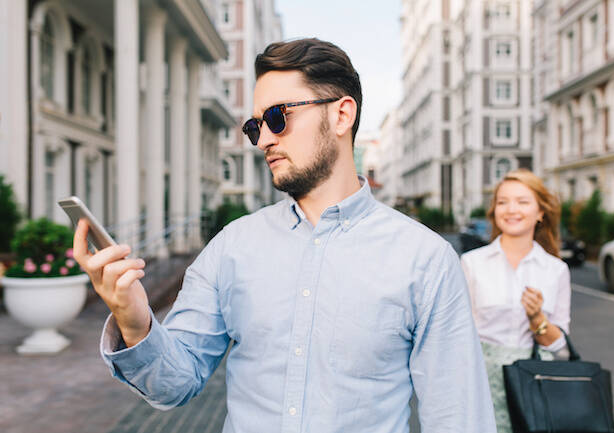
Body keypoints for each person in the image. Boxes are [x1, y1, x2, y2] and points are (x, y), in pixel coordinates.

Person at [74, 38, 496, 433]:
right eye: (256, 126)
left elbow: (458, 415)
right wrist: (133, 319)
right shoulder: (232, 246)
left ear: (341, 115)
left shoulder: (425, 258)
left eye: (279, 117)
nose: (265, 140)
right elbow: (174, 385)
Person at [460, 169, 571, 433]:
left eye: (522, 201)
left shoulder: (555, 270)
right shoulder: (472, 263)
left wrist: (537, 319)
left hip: (533, 384)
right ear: (494, 211)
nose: (511, 209)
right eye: (502, 202)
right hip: (481, 382)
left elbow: (562, 351)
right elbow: (459, 336)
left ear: (540, 212)